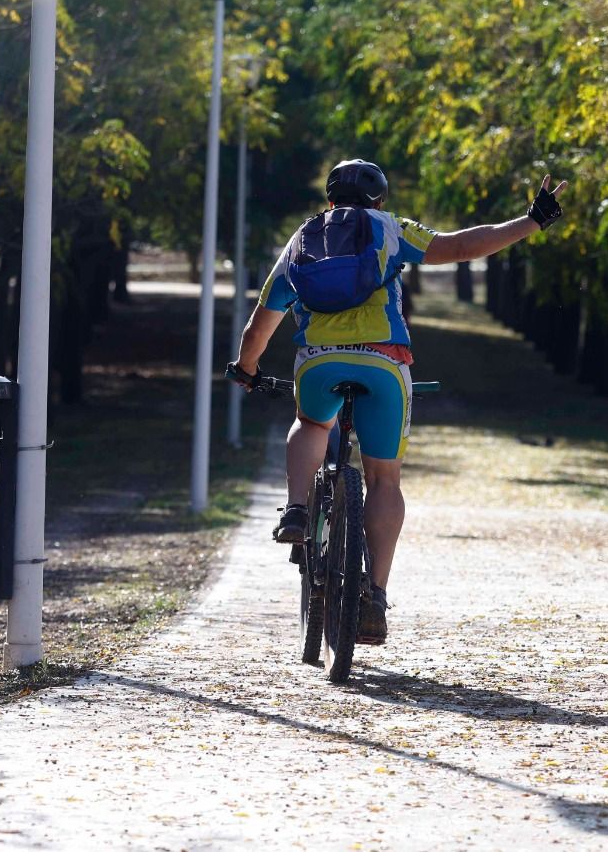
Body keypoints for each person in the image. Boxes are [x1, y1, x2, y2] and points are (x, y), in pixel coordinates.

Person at [227, 159, 567, 643]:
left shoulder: (302, 240)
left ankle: (298, 510)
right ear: (379, 201)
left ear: (329, 200)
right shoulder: (390, 229)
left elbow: (262, 322)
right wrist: (531, 221)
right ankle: (376, 598)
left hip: (320, 363)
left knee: (311, 425)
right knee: (383, 477)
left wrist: (248, 368)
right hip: (385, 363)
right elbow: (463, 245)